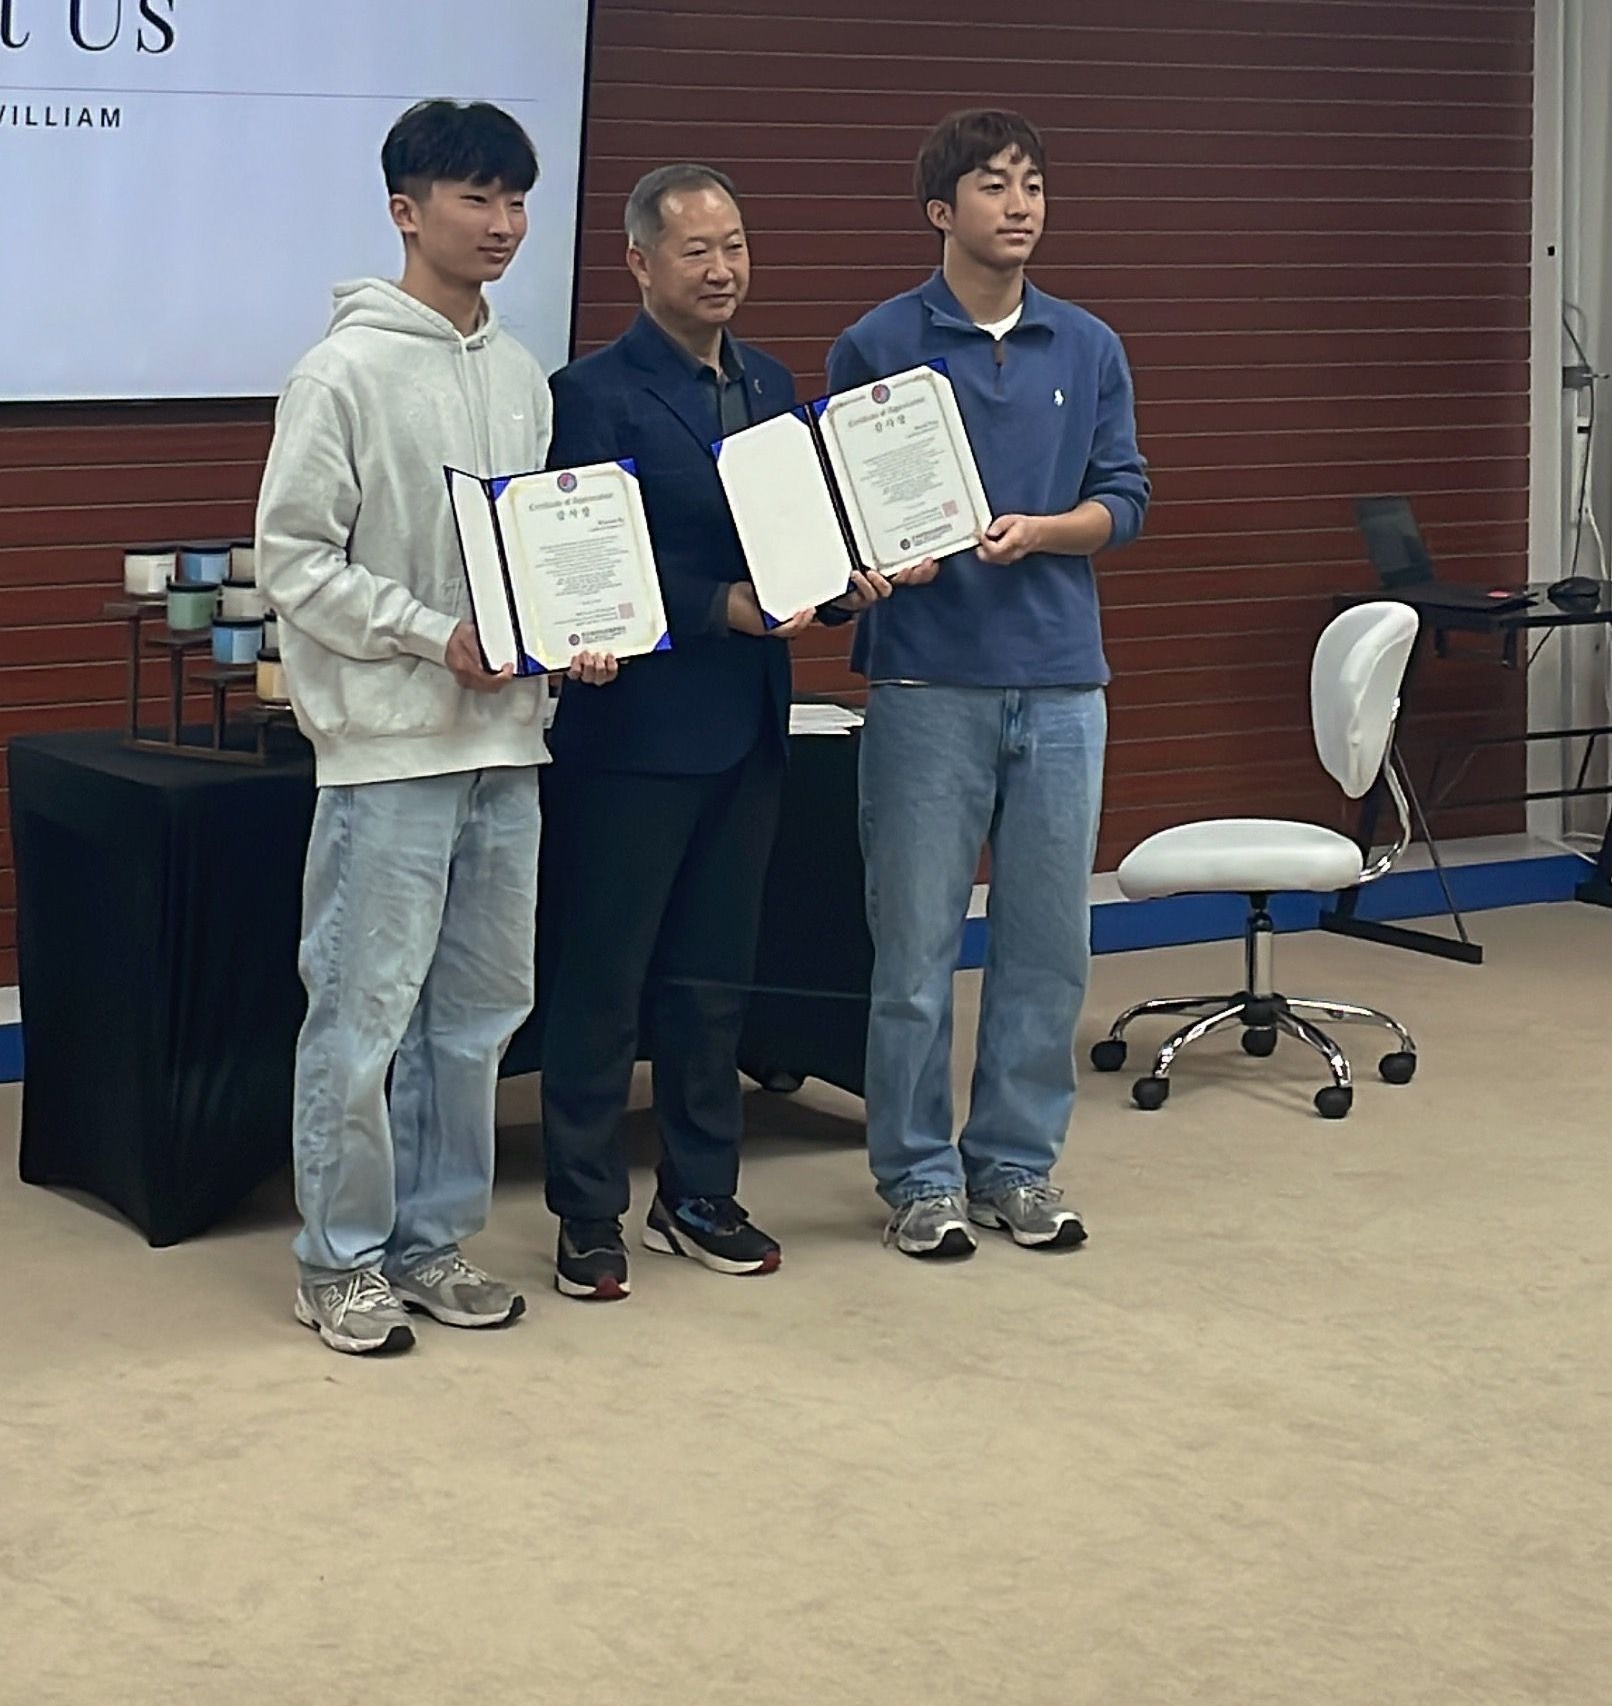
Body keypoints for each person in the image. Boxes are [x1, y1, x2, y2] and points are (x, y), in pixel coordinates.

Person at [256, 96, 614, 1357]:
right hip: (389, 750)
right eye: (476, 198)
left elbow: (539, 552)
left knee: (476, 1015)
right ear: (406, 211)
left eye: (517, 200)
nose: (503, 223)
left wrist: (578, 628)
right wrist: (429, 634)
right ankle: (337, 1261)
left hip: (507, 743)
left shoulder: (519, 374)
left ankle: (430, 1241)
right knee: (362, 1017)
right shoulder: (342, 373)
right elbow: (294, 560)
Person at [534, 163, 875, 1301]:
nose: (722, 268)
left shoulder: (771, 382)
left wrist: (842, 584)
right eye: (696, 249)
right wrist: (713, 606)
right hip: (631, 735)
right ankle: (587, 1212)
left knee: (712, 980)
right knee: (602, 981)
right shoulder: (590, 393)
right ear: (638, 262)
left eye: (734, 245)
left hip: (748, 726)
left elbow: (791, 541)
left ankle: (697, 1193)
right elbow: (586, 565)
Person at [826, 108, 1148, 1264]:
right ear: (939, 209)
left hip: (1059, 681)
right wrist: (874, 559)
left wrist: (1048, 530)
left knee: (1045, 945)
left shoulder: (1086, 344)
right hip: (925, 680)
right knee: (914, 950)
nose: (1018, 205)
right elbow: (846, 511)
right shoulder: (875, 343)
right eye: (992, 185)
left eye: (1032, 185)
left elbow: (1125, 497)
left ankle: (1014, 1162)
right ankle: (917, 1177)